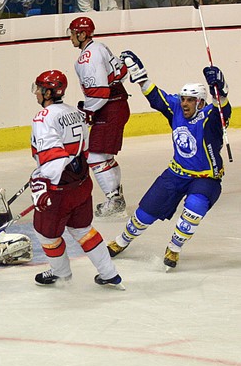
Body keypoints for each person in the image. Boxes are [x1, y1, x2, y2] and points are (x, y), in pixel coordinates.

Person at [107, 51, 232, 271]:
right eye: (183, 98)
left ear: (201, 102)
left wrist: (220, 90)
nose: (185, 103)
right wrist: (141, 76)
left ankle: (174, 248)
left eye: (190, 100)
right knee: (145, 211)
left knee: (195, 207)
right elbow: (156, 97)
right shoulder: (176, 108)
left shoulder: (211, 118)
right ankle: (122, 241)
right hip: (176, 173)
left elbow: (223, 108)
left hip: (206, 178)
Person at [29, 70, 124, 289]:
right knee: (83, 230)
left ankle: (61, 274)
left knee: (45, 235)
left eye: (39, 89)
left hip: (58, 187)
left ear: (47, 92)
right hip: (81, 182)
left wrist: (41, 183)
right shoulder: (75, 113)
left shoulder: (43, 117)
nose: (36, 93)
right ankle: (110, 274)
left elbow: (52, 156)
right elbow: (85, 149)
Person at [68, 16, 130, 217]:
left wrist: (87, 111)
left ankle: (114, 200)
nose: (70, 37)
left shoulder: (87, 58)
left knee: (94, 156)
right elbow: (121, 72)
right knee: (105, 156)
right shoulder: (100, 47)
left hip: (109, 107)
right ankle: (117, 197)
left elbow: (101, 92)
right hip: (116, 105)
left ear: (82, 34)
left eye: (73, 33)